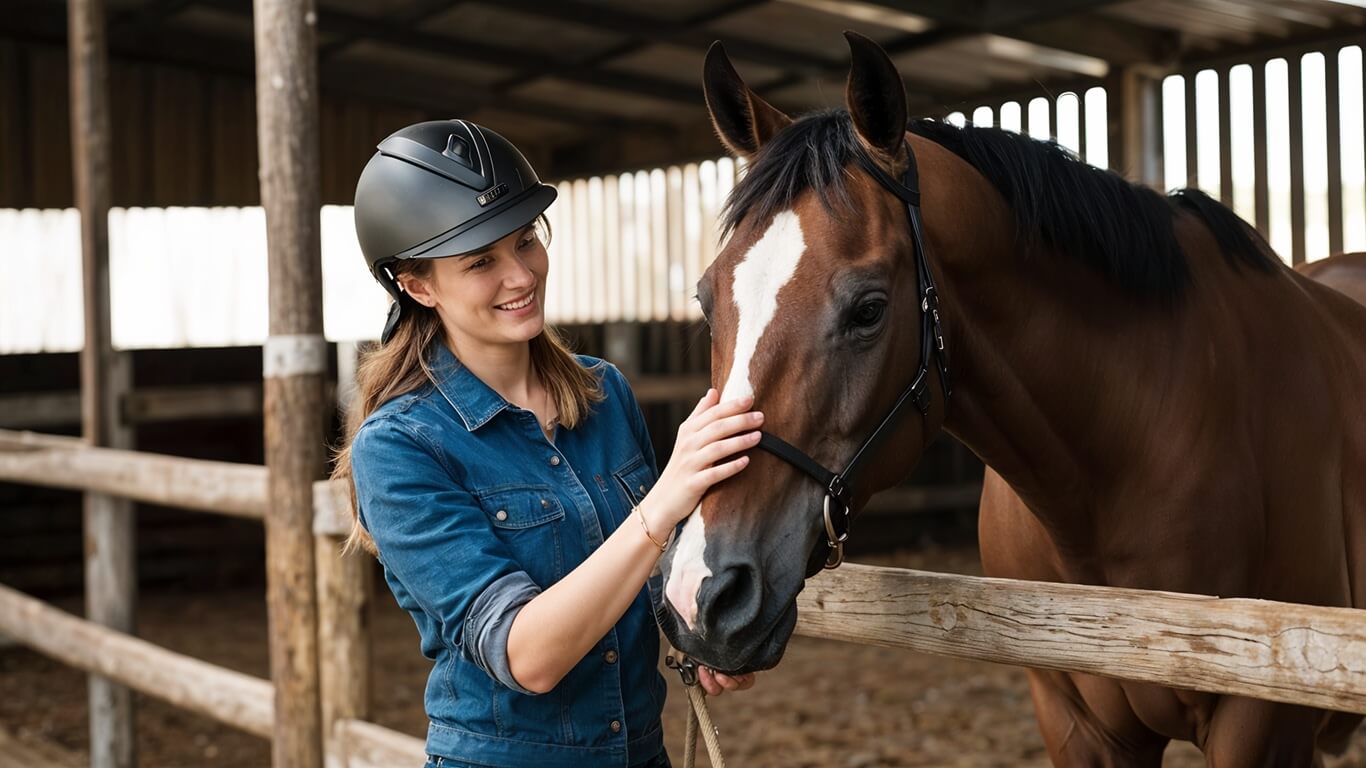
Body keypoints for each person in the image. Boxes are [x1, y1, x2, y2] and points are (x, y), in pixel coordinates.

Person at [334, 118, 761, 768]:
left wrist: (699, 638)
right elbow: (525, 656)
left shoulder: (603, 393)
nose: (521, 275)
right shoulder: (399, 447)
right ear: (417, 286)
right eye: (481, 262)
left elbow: (649, 574)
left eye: (525, 241)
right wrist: (667, 499)